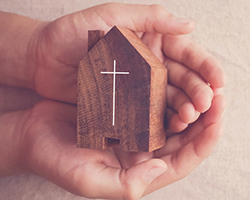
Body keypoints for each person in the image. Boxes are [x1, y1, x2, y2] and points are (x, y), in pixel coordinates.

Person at [0, 3, 226, 200]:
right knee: (101, 124)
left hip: (131, 110)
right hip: (103, 104)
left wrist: (33, 48)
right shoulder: (99, 57)